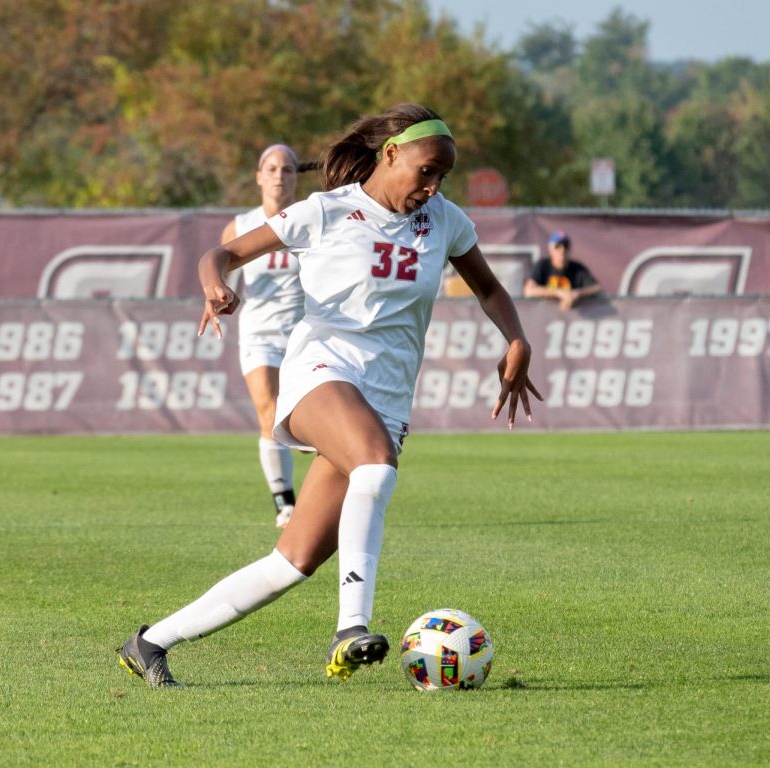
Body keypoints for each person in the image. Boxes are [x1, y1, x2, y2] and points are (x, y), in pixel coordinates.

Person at [117, 103, 541, 688]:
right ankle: (351, 628)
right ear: (390, 154)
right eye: (426, 171)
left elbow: (489, 288)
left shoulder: (444, 220)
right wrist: (215, 282)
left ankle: (150, 641)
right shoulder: (327, 210)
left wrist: (516, 338)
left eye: (443, 176)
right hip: (322, 369)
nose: (433, 186)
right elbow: (224, 253)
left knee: (292, 563)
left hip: (386, 399)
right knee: (374, 462)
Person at [220, 144, 305, 528]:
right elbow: (220, 272)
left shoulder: (309, 219)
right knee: (268, 411)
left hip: (306, 332)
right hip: (259, 332)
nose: (279, 175)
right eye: (271, 168)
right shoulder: (241, 225)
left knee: (307, 410)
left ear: (295, 178)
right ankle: (285, 503)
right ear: (258, 175)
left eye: (287, 169)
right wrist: (219, 295)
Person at [523, 231, 601, 310]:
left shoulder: (577, 268)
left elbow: (596, 288)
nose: (562, 250)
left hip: (572, 319)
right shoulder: (543, 265)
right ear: (550, 249)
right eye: (557, 246)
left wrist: (578, 294)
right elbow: (529, 291)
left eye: (565, 246)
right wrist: (559, 293)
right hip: (545, 317)